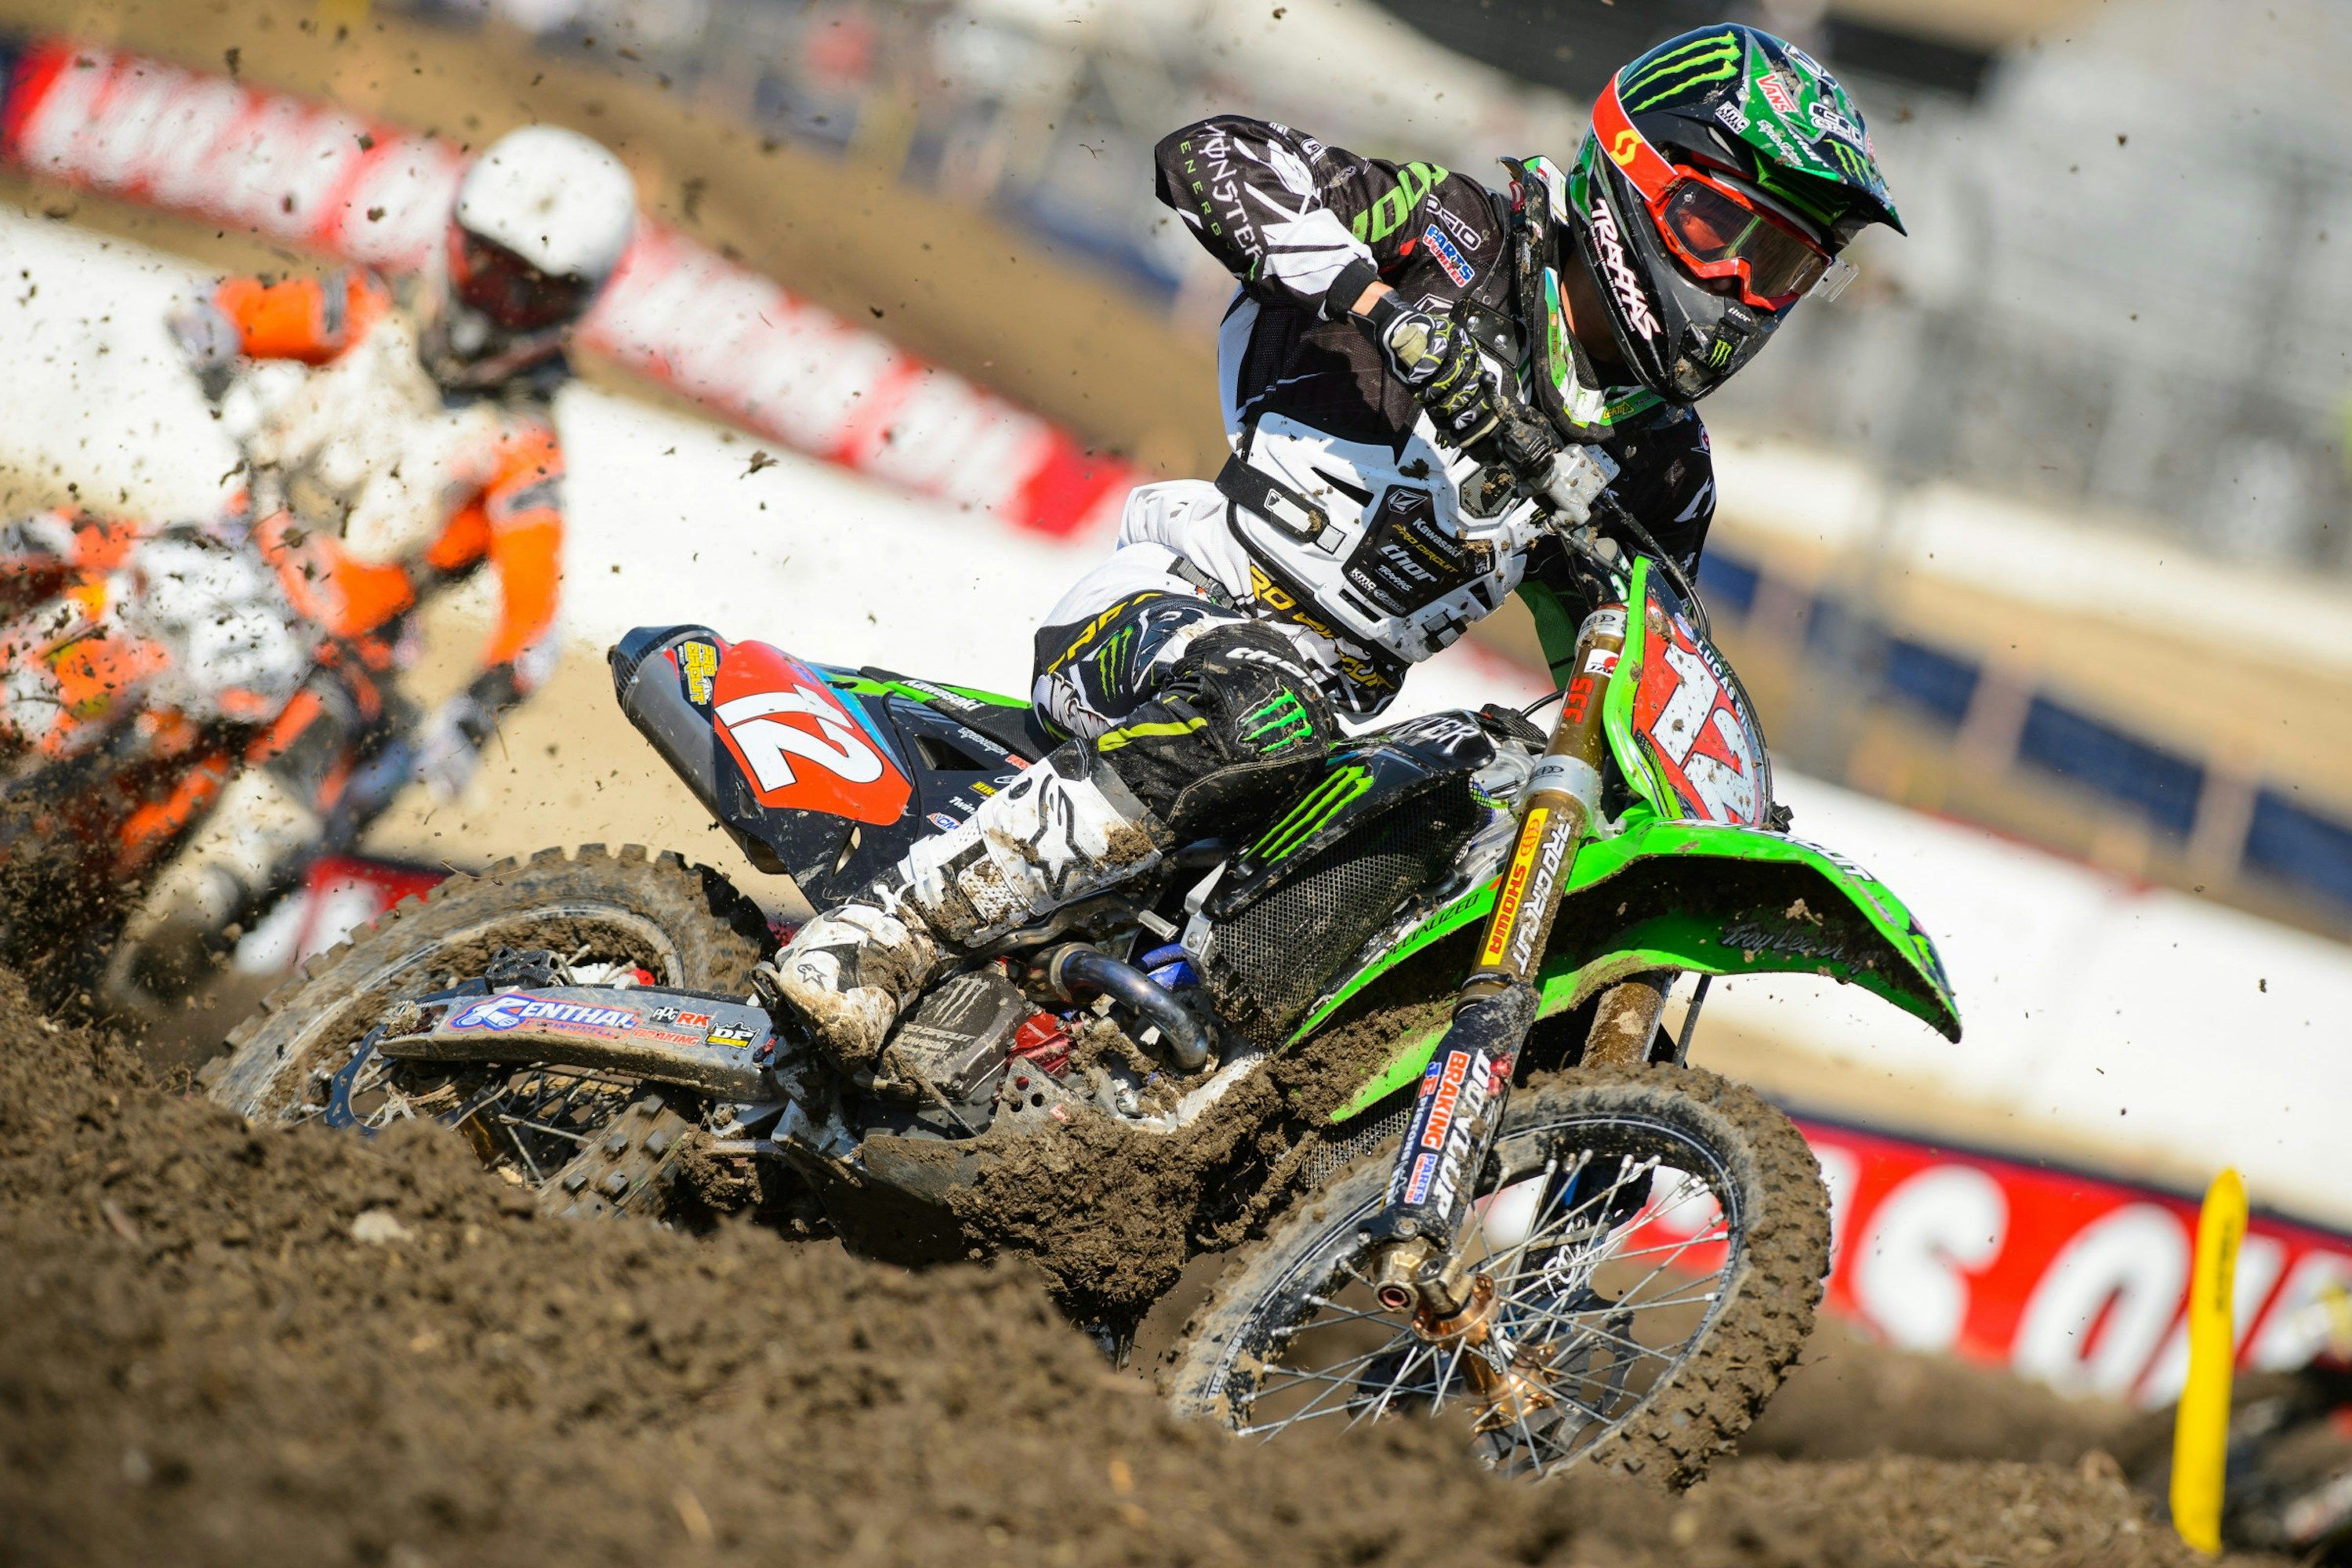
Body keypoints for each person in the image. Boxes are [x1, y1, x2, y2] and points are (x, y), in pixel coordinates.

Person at [768, 24, 1904, 1069]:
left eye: (1783, 269)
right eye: (1720, 234)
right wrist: (1387, 310)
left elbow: (1630, 673)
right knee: (1267, 705)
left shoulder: (1660, 466)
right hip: (1163, 616)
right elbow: (1208, 156)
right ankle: (882, 937)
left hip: (1323, 737)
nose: (1743, 291)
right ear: (1634, 179)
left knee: (1488, 793)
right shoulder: (1462, 236)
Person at [114, 122, 637, 992]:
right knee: (55, 548)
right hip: (221, 554)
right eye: (490, 272)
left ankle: (189, 924)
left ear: (571, 306)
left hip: (336, 656)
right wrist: (231, 383)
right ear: (456, 243)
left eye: (531, 294)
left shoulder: (523, 446)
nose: (497, 307)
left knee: (276, 824)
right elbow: (208, 309)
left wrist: (470, 717)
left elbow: (533, 632)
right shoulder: (363, 311)